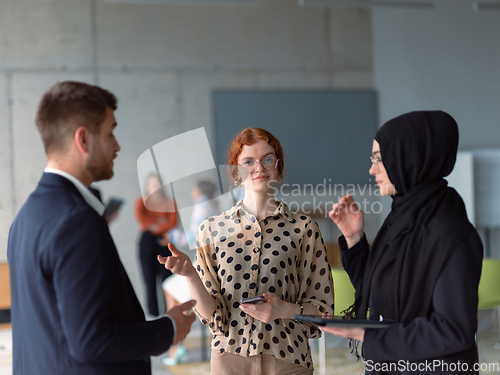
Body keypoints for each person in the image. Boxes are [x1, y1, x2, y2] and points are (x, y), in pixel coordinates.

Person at [7, 80, 196, 375]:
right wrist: (168, 328)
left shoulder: (26, 217)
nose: (117, 145)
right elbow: (91, 341)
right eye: (110, 133)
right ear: (83, 140)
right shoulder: (76, 221)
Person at [158, 127, 335, 374]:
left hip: (288, 360)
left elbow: (324, 311)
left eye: (267, 159)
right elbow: (213, 317)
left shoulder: (304, 228)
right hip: (229, 360)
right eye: (248, 161)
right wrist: (190, 275)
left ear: (278, 165)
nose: (259, 168)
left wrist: (285, 309)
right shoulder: (211, 230)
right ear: (236, 170)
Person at [323, 111, 483, 374]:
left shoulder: (450, 232)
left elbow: (453, 330)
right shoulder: (399, 219)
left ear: (409, 157)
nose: (372, 169)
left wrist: (367, 334)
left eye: (379, 159)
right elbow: (379, 292)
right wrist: (354, 238)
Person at [161, 179, 219, 366]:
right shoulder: (217, 204)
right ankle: (177, 342)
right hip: (216, 266)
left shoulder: (201, 205)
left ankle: (176, 344)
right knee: (176, 291)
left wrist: (173, 236)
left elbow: (195, 233)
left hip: (203, 268)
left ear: (198, 190)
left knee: (168, 286)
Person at [135, 173, 177, 317]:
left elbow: (172, 222)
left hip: (164, 242)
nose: (154, 186)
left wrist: (156, 226)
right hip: (147, 244)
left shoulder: (169, 202)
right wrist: (161, 222)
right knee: (149, 281)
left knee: (168, 281)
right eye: (152, 183)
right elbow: (142, 220)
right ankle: (153, 317)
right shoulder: (141, 201)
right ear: (147, 186)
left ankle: (169, 315)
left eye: (157, 183)